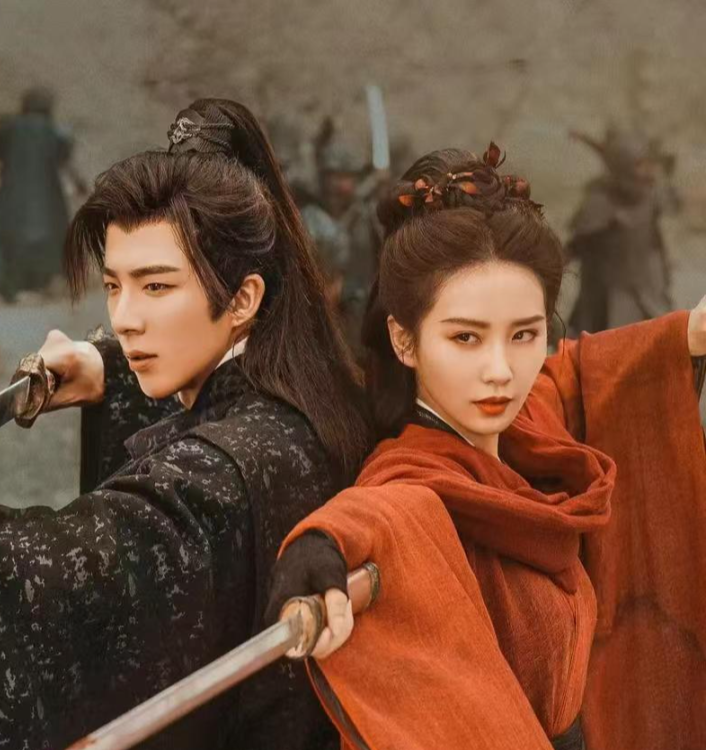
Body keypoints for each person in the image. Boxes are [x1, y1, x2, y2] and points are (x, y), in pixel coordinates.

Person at [266, 144, 706, 750]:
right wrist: (322, 544)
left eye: (523, 335)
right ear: (404, 340)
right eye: (466, 338)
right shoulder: (413, 481)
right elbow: (384, 510)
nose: (501, 371)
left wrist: (689, 334)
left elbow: (571, 377)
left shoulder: (525, 426)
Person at [0, 98, 371, 750]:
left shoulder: (222, 474)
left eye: (157, 287)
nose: (125, 319)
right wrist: (112, 371)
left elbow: (55, 574)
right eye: (114, 286)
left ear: (244, 298)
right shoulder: (305, 391)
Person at [567, 126, 678, 335]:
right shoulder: (600, 204)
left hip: (645, 291)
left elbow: (655, 243)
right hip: (606, 298)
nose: (648, 172)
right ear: (622, 170)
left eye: (648, 164)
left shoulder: (650, 197)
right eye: (640, 165)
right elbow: (574, 248)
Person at [0, 86, 87, 301]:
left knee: (3, 240)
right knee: (50, 243)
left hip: (10, 198)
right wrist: (80, 184)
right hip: (47, 202)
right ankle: (40, 285)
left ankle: (3, 287)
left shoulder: (9, 127)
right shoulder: (55, 131)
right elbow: (66, 161)